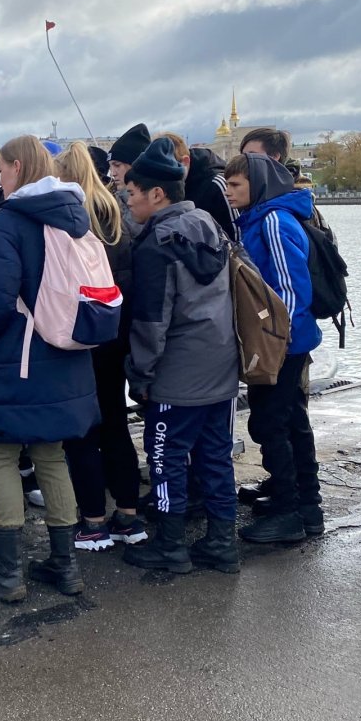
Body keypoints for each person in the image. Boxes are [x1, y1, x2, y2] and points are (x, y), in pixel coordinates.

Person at [0, 136, 100, 603]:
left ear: (17, 167)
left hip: (18, 353)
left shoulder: (10, 217)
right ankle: (65, 565)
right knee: (52, 453)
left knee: (1, 453)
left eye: (1, 170)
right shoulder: (74, 213)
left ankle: (8, 572)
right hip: (65, 352)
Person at [121, 139, 239, 573]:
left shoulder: (157, 244)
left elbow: (152, 322)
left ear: (156, 194)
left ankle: (170, 546)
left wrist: (140, 375)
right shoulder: (208, 223)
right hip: (221, 364)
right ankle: (222, 543)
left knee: (165, 457)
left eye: (131, 192)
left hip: (178, 373)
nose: (127, 200)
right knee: (215, 457)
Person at [223, 152, 323, 543]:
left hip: (284, 344)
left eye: (236, 185)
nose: (229, 192)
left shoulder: (273, 221)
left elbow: (292, 288)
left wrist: (277, 342)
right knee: (291, 420)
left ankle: (289, 512)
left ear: (258, 185)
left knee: (271, 423)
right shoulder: (258, 218)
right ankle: (305, 503)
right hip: (282, 341)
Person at [53, 142, 146, 551]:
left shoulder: (68, 216)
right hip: (117, 329)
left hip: (82, 334)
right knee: (115, 422)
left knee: (81, 431)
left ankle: (92, 521)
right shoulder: (116, 210)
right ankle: (128, 515)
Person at [157, 131, 237, 241]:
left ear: (185, 162)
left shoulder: (216, 184)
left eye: (169, 171)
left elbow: (235, 235)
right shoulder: (168, 186)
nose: (165, 178)